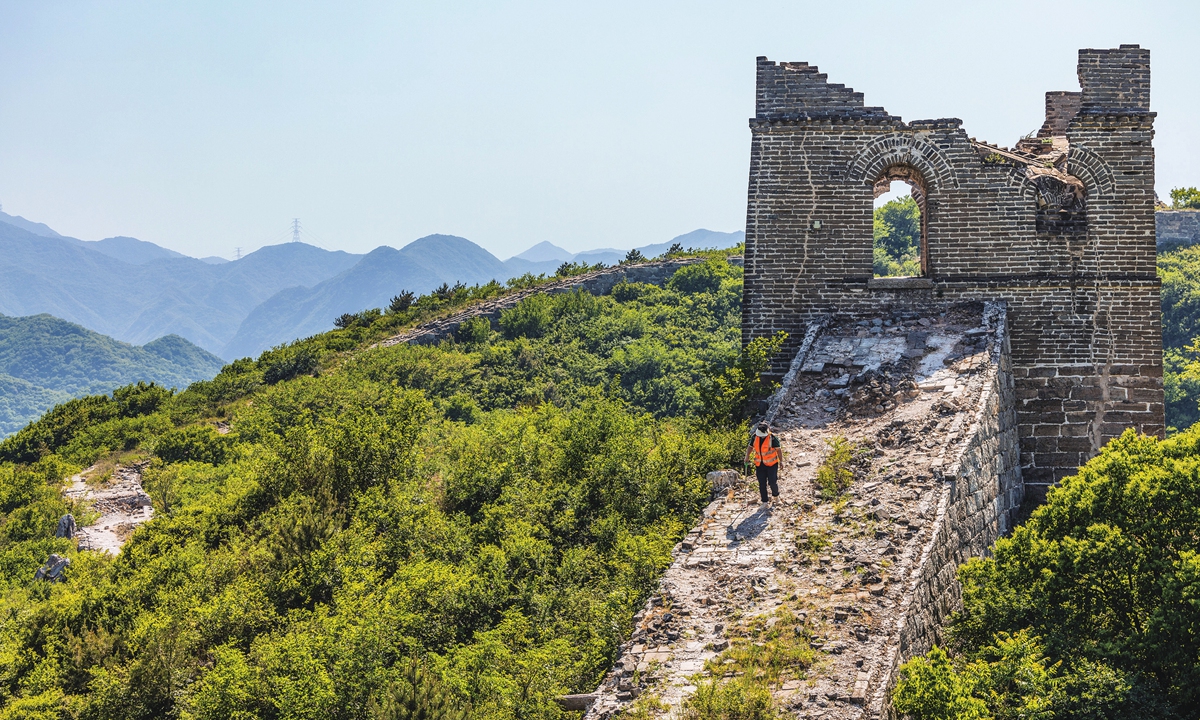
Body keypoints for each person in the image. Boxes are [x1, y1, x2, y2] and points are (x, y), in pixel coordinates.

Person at [745, 421, 781, 507]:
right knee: (762, 483)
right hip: (760, 464)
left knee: (772, 482)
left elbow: (778, 450)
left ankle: (776, 497)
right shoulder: (755, 437)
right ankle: (764, 501)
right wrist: (747, 456)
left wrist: (781, 461)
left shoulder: (772, 438)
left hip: (772, 464)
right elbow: (750, 447)